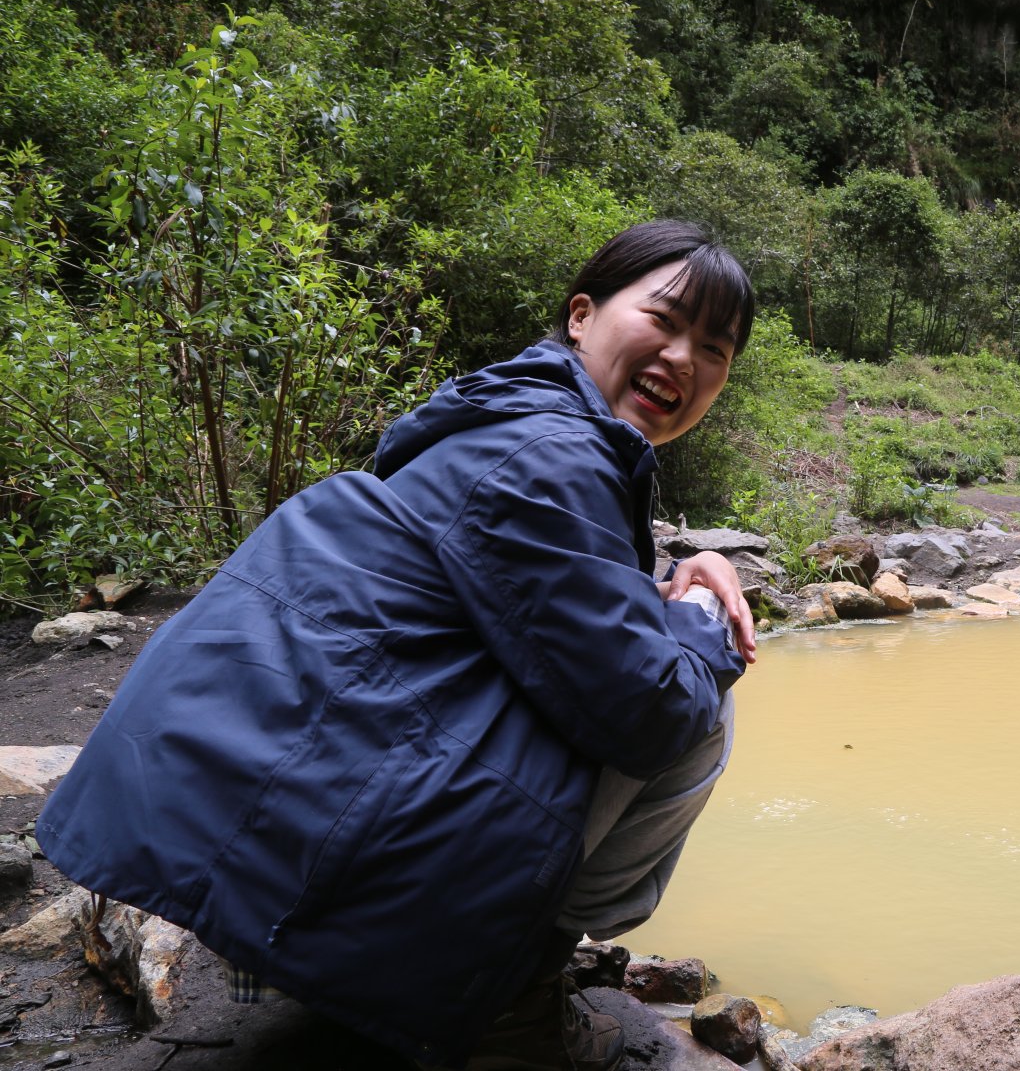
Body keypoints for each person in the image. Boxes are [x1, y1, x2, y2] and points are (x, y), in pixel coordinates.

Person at [37, 220, 760, 1070]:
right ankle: (510, 1002)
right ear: (581, 315)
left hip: (253, 810)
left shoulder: (512, 417)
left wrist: (677, 571)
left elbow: (554, 599)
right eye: (665, 321)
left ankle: (404, 963)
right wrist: (707, 618)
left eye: (713, 348)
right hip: (300, 840)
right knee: (701, 715)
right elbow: (649, 710)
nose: (684, 357)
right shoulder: (550, 455)